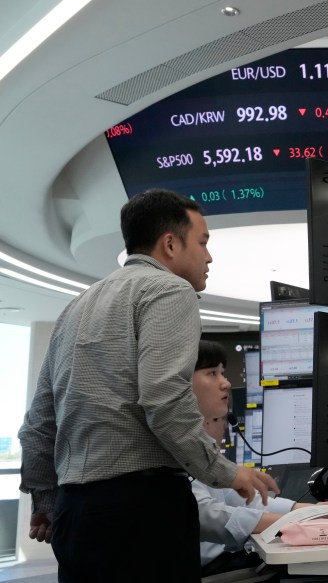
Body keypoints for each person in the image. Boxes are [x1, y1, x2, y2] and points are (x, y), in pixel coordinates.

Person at [18, 189, 279, 582]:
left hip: (76, 513)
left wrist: (45, 499)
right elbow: (164, 399)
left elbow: (38, 423)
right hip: (141, 513)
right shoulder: (170, 290)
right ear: (170, 244)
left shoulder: (76, 306)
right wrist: (227, 473)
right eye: (204, 243)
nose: (209, 257)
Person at [189, 340, 328, 576]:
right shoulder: (176, 449)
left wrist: (314, 511)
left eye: (222, 373)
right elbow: (208, 515)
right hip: (214, 569)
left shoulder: (199, 449)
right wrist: (305, 521)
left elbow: (239, 501)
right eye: (212, 373)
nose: (225, 383)